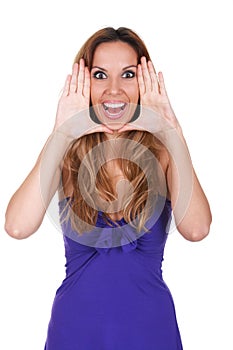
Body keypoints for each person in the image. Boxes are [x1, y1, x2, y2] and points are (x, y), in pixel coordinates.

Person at [5, 27, 212, 350]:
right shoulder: (68, 154)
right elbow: (17, 226)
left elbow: (197, 229)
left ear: (143, 84)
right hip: (75, 331)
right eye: (100, 75)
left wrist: (172, 132)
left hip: (149, 330)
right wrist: (61, 133)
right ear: (85, 84)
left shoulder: (162, 153)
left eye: (128, 74)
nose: (113, 90)